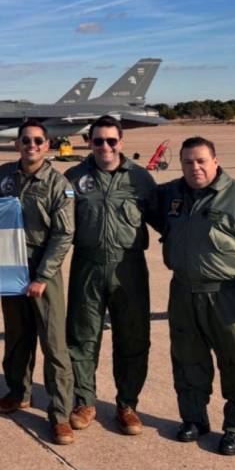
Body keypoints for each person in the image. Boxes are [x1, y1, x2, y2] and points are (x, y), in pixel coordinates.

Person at [153, 137, 235, 456]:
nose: (194, 167)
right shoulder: (171, 194)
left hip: (229, 295)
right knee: (187, 361)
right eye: (187, 162)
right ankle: (194, 419)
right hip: (184, 292)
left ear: (215, 161)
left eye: (201, 161)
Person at [64, 116, 157, 436]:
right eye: (98, 141)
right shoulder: (74, 177)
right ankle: (84, 400)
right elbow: (59, 224)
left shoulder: (140, 179)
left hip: (128, 266)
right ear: (89, 142)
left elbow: (167, 221)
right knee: (82, 336)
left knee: (132, 337)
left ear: (121, 142)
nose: (105, 146)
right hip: (86, 264)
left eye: (111, 141)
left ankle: (127, 404)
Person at [0, 122, 77, 444]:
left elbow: (64, 234)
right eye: (26, 140)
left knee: (54, 345)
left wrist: (42, 276)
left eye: (38, 140)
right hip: (11, 269)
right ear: (18, 144)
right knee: (17, 338)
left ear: (47, 145)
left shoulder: (57, 184)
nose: (32, 145)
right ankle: (18, 392)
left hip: (43, 271)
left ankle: (60, 414)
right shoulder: (3, 176)